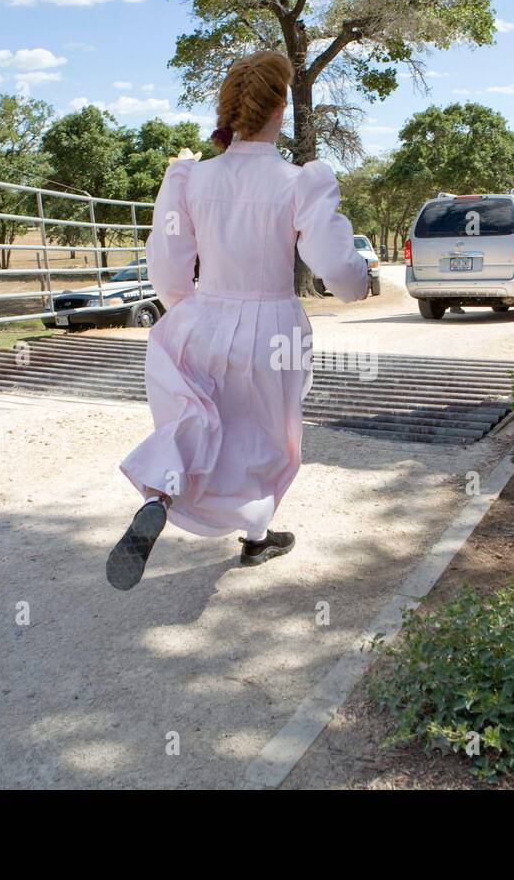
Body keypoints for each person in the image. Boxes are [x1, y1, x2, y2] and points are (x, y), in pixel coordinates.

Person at [108, 50, 370, 591]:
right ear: (279, 108)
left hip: (202, 316)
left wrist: (189, 309)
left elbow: (167, 262)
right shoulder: (300, 181)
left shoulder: (188, 179)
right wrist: (361, 280)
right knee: (267, 439)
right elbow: (337, 270)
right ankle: (255, 536)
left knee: (195, 417)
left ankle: (160, 496)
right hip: (273, 326)